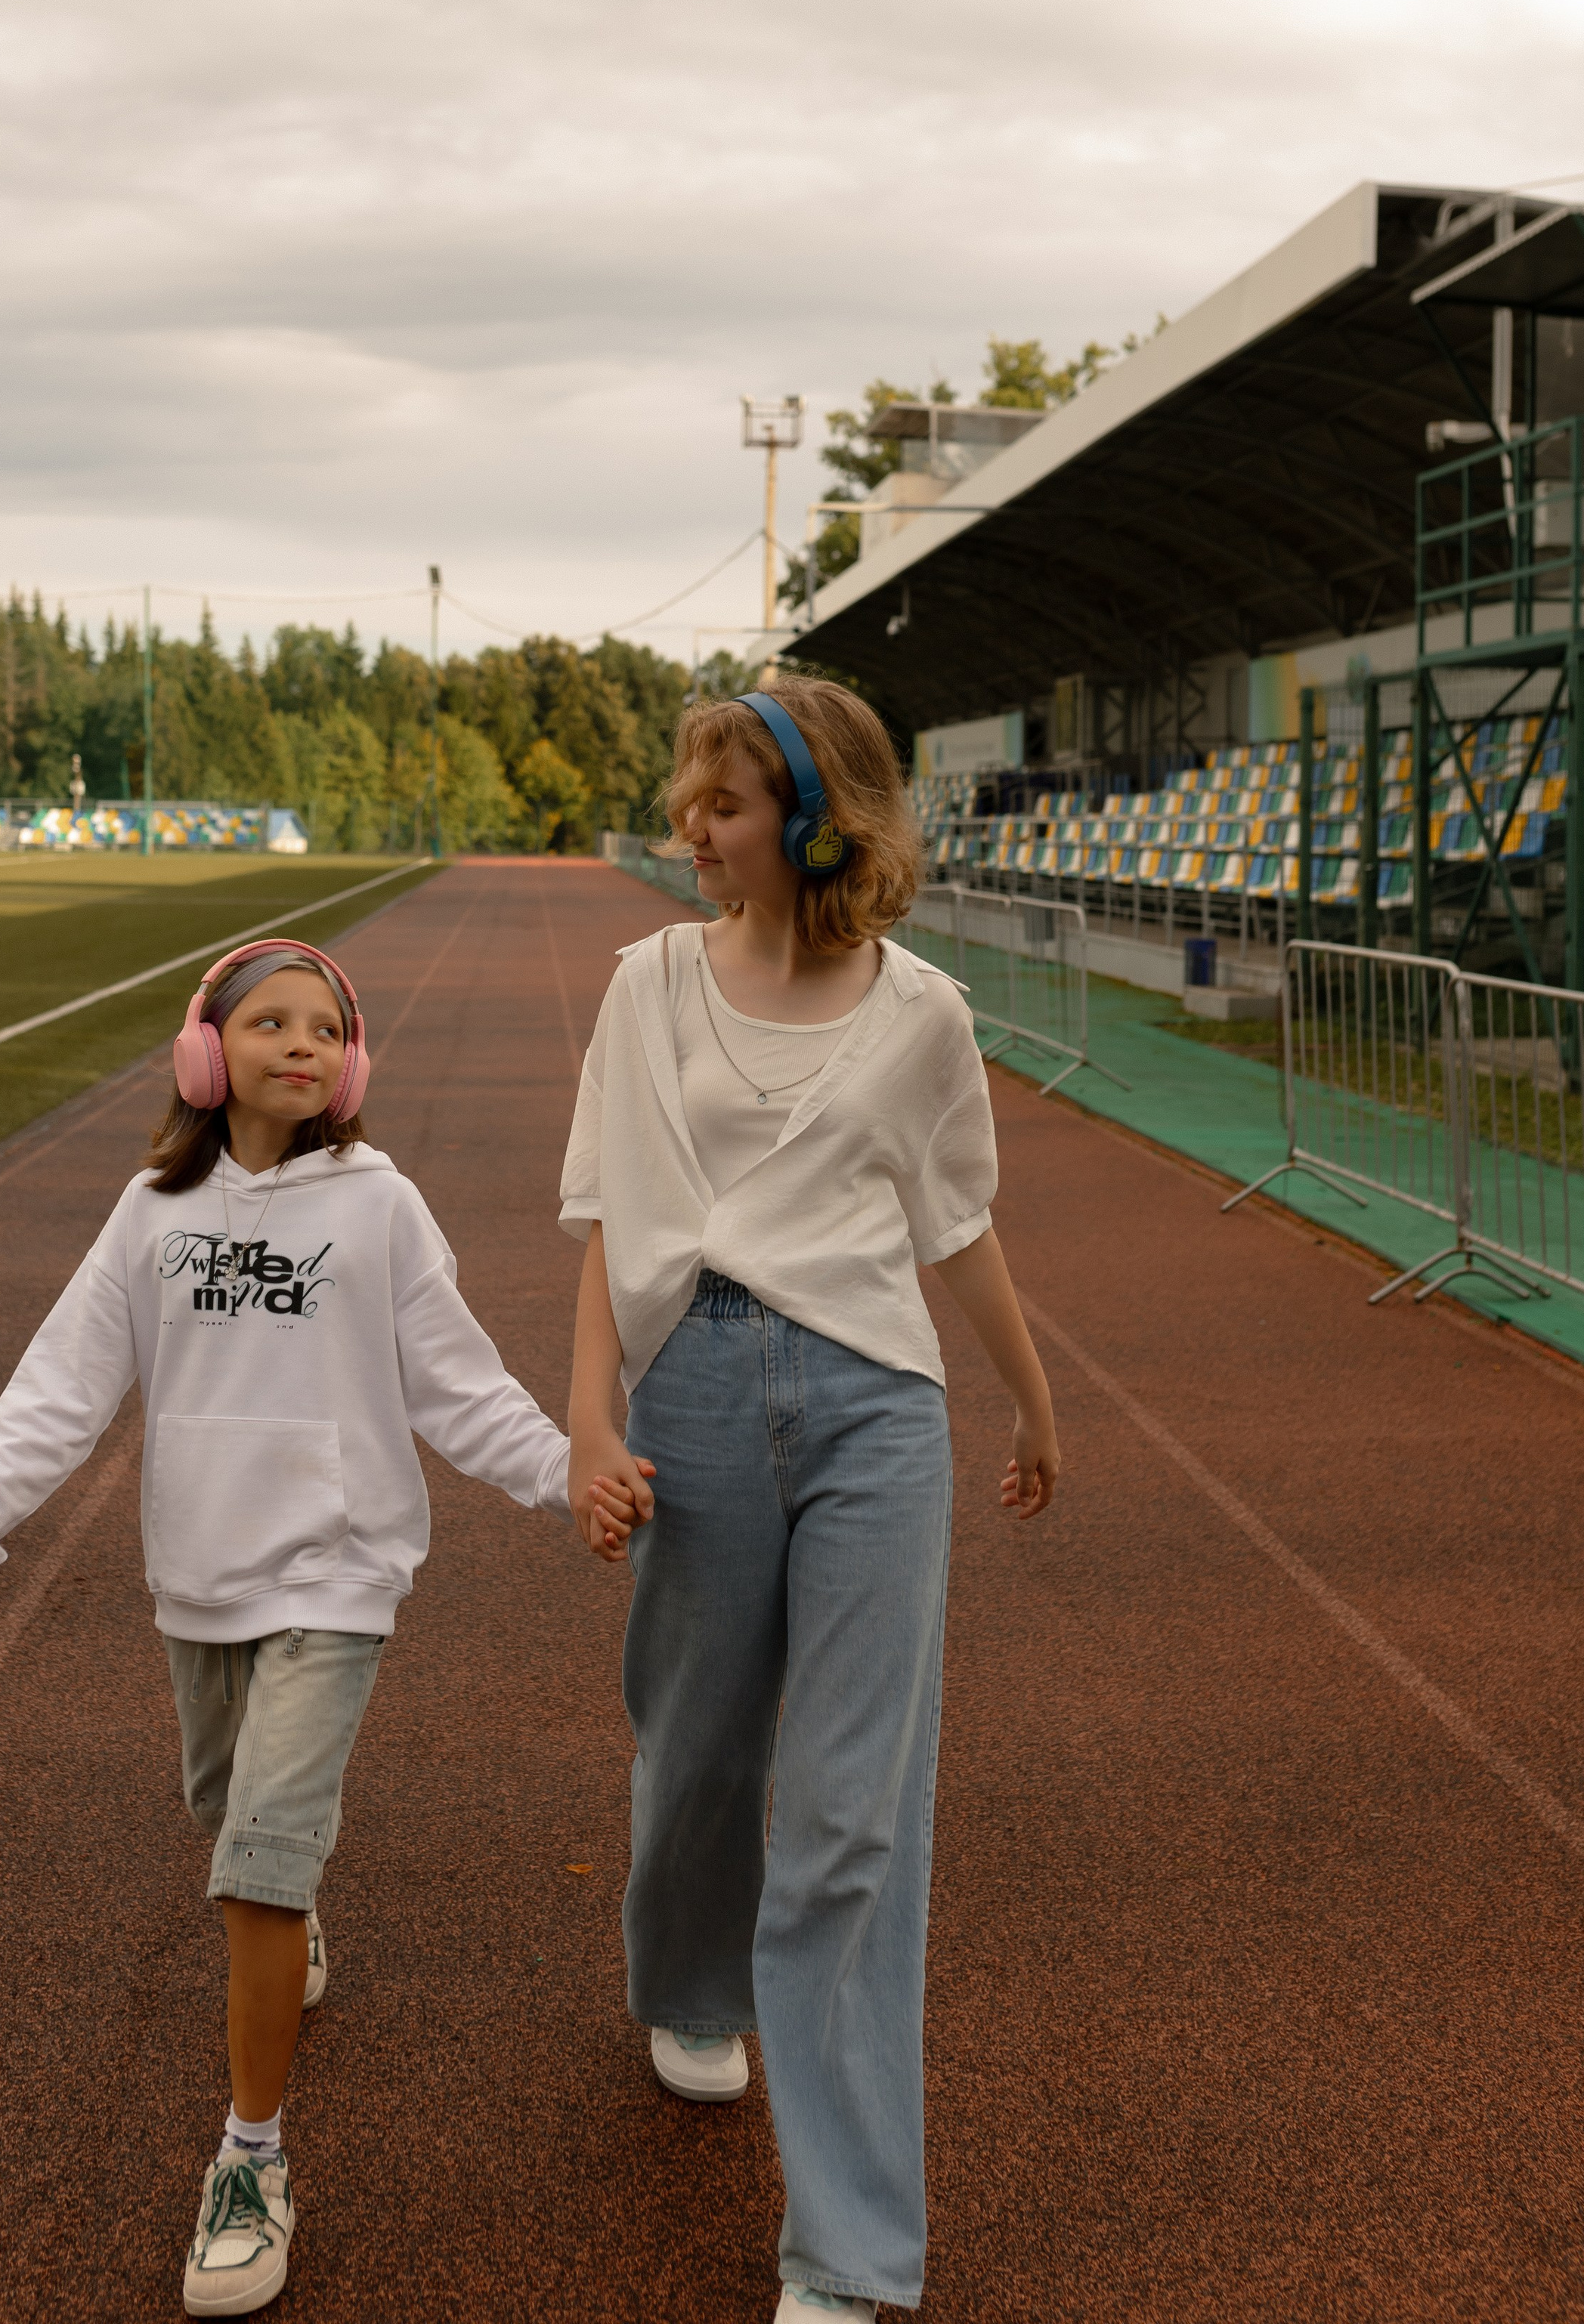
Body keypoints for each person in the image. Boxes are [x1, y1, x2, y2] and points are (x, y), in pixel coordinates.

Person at [0, 938, 574, 2317]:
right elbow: (62, 1384)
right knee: (225, 1808)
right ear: (207, 1051)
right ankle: (286, 1908)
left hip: (338, 1573)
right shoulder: (151, 1212)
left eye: (325, 1027)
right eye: (268, 1022)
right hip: (200, 1579)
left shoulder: (380, 1207)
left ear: (352, 1063)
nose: (299, 1045)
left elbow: (459, 1385)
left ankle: (251, 2159)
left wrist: (570, 1478)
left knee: (255, 1865)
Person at [562, 678, 1061, 2323]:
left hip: (875, 1408)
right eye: (686, 802)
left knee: (852, 1820)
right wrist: (587, 1420)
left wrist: (1025, 1391)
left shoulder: (920, 1011)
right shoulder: (642, 988)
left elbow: (954, 1219)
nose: (688, 829)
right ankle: (688, 1979)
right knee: (695, 1747)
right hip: (692, 1390)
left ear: (809, 814)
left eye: (717, 804)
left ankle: (842, 2257)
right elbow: (598, 1215)